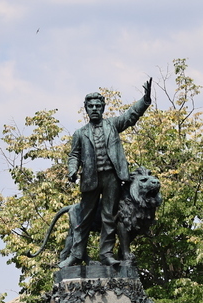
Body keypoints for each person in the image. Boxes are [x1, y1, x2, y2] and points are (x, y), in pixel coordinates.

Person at [65, 81, 152, 267]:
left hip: (112, 177)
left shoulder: (112, 125)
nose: (94, 109)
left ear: (103, 108)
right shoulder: (80, 133)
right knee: (84, 218)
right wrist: (72, 170)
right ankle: (76, 255)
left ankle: (106, 254)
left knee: (109, 217)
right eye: (91, 106)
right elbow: (74, 155)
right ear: (86, 109)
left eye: (98, 106)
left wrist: (144, 100)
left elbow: (130, 116)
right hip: (90, 179)